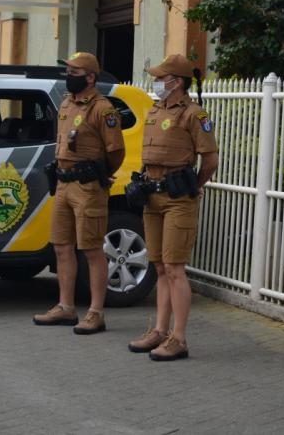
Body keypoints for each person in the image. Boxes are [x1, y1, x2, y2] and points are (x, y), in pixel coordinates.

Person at [127, 54, 219, 361]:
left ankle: (178, 338)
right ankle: (159, 331)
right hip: (151, 196)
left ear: (176, 82)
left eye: (161, 77)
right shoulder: (155, 110)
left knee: (176, 269)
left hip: (178, 199)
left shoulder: (194, 114)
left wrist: (198, 184)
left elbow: (210, 159)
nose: (156, 82)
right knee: (160, 267)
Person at [34, 52, 125, 334]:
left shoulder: (103, 109)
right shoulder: (66, 103)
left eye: (74, 72)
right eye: (67, 71)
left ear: (90, 77)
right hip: (63, 184)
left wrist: (98, 173)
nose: (68, 76)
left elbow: (116, 151)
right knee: (61, 247)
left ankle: (96, 312)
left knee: (92, 250)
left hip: (88, 187)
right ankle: (66, 306)